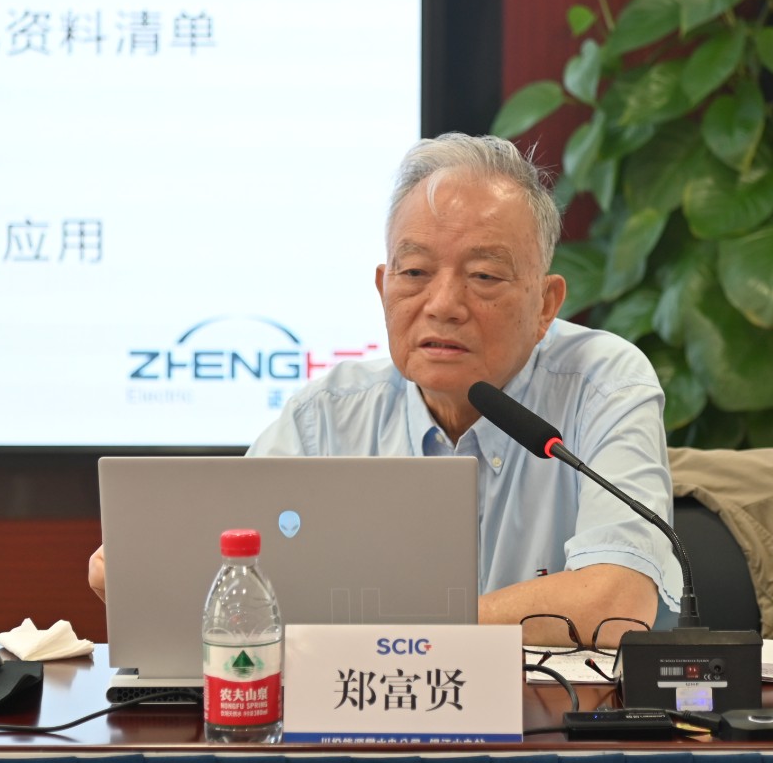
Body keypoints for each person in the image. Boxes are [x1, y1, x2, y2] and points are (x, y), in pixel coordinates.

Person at [89, 133, 681, 645]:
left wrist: (396, 633)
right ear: (383, 287)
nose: (443, 305)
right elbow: (213, 570)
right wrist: (147, 568)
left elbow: (617, 602)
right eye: (415, 272)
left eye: (483, 275)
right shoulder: (327, 417)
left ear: (547, 304)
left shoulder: (601, 384)